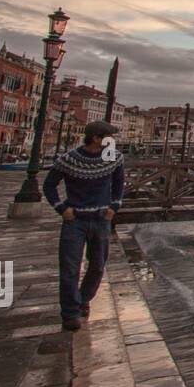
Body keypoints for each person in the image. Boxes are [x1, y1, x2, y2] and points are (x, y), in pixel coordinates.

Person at [42, 120, 125, 331]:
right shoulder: (69, 159)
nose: (113, 140)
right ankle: (70, 313)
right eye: (109, 137)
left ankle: (83, 298)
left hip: (101, 219)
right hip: (75, 221)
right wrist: (62, 208)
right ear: (97, 138)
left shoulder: (114, 158)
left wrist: (114, 207)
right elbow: (49, 186)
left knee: (97, 266)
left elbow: (118, 185)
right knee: (70, 268)